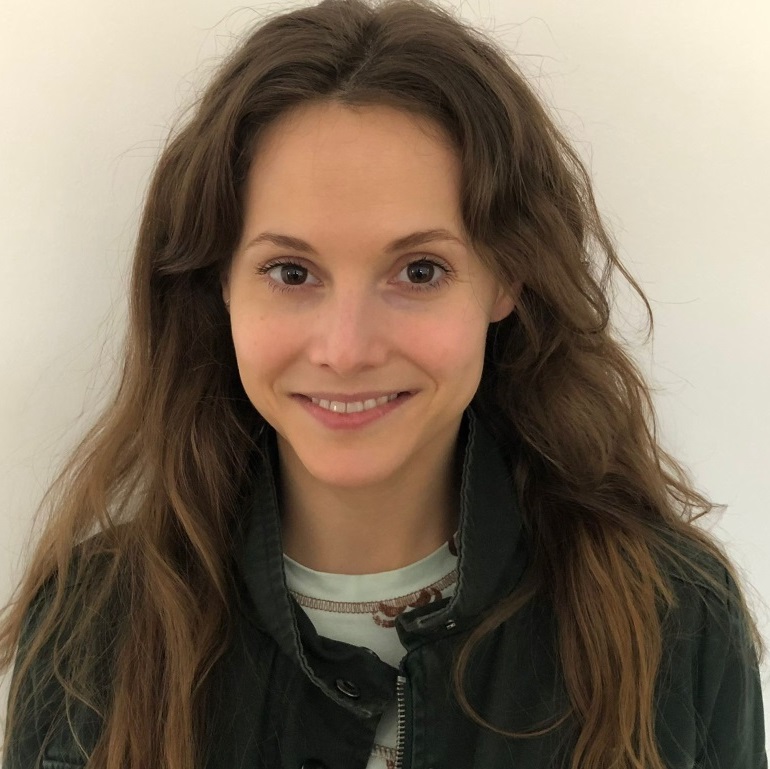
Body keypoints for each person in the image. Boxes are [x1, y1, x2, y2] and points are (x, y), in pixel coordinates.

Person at [1, 0, 766, 767]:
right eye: (291, 271)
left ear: (508, 279)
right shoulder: (89, 627)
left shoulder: (672, 618)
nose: (346, 348)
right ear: (220, 283)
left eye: (420, 270)